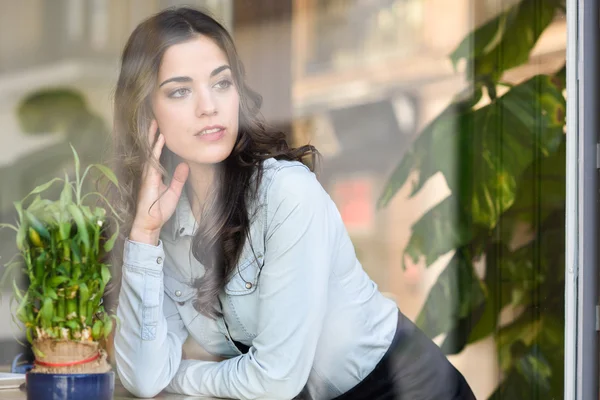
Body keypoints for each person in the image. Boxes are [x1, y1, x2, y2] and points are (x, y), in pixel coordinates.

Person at [109, 6, 477, 400]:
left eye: (221, 83)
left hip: (404, 387)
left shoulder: (286, 193)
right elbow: (145, 377)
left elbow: (275, 380)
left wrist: (178, 377)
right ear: (145, 111)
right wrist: (144, 235)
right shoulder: (165, 219)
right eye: (180, 91)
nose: (208, 106)